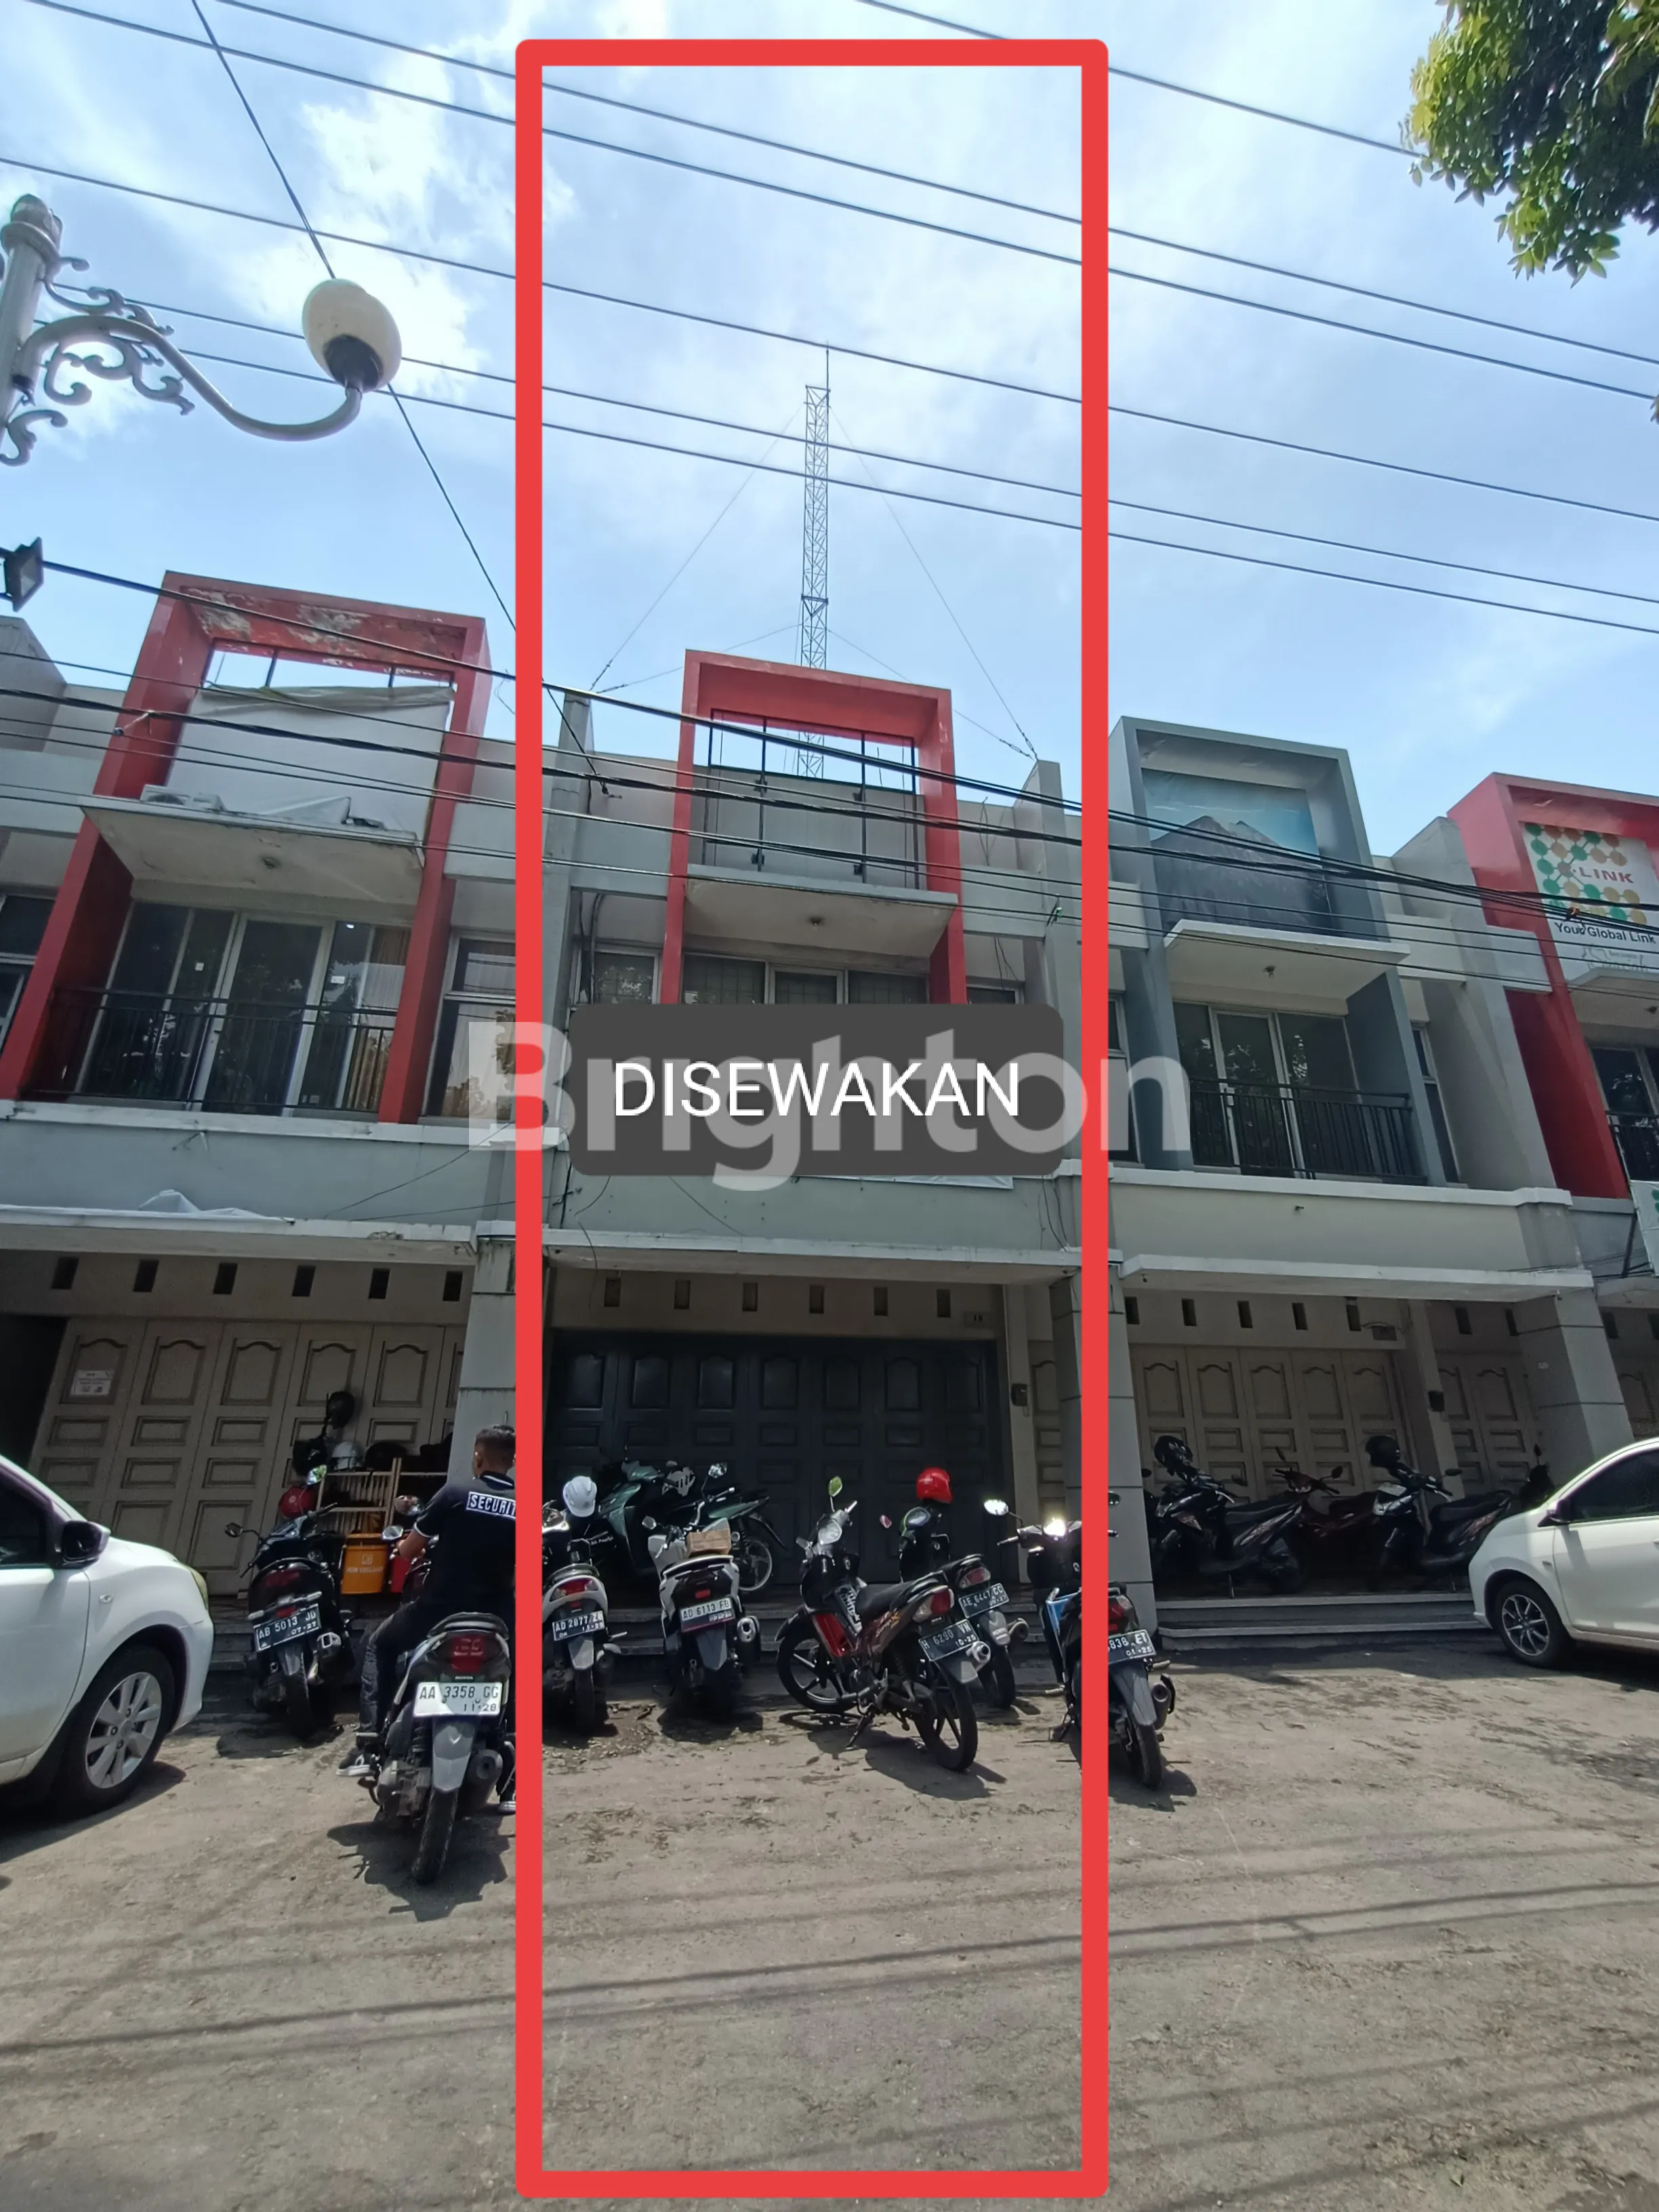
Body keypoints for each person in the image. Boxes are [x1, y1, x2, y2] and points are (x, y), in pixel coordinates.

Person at [341, 1425, 517, 1792]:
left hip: (438, 1611)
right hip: (497, 1617)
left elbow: (409, 1549)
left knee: (379, 1644)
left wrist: (406, 1547)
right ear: (512, 1460)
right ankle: (511, 1777)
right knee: (514, 1675)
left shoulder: (455, 1493)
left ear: (478, 1456)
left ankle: (369, 1743)